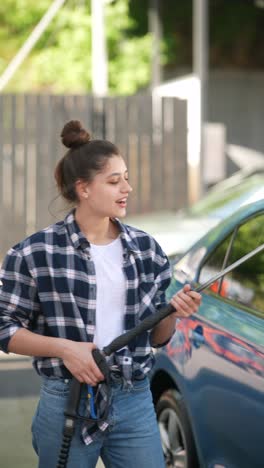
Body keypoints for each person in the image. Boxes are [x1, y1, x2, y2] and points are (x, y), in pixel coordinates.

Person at [0, 120, 201, 468]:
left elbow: (156, 337)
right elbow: (5, 328)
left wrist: (173, 313)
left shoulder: (146, 249)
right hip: (67, 398)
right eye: (114, 181)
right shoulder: (34, 253)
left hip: (134, 397)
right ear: (84, 189)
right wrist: (64, 349)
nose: (127, 187)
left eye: (126, 177)